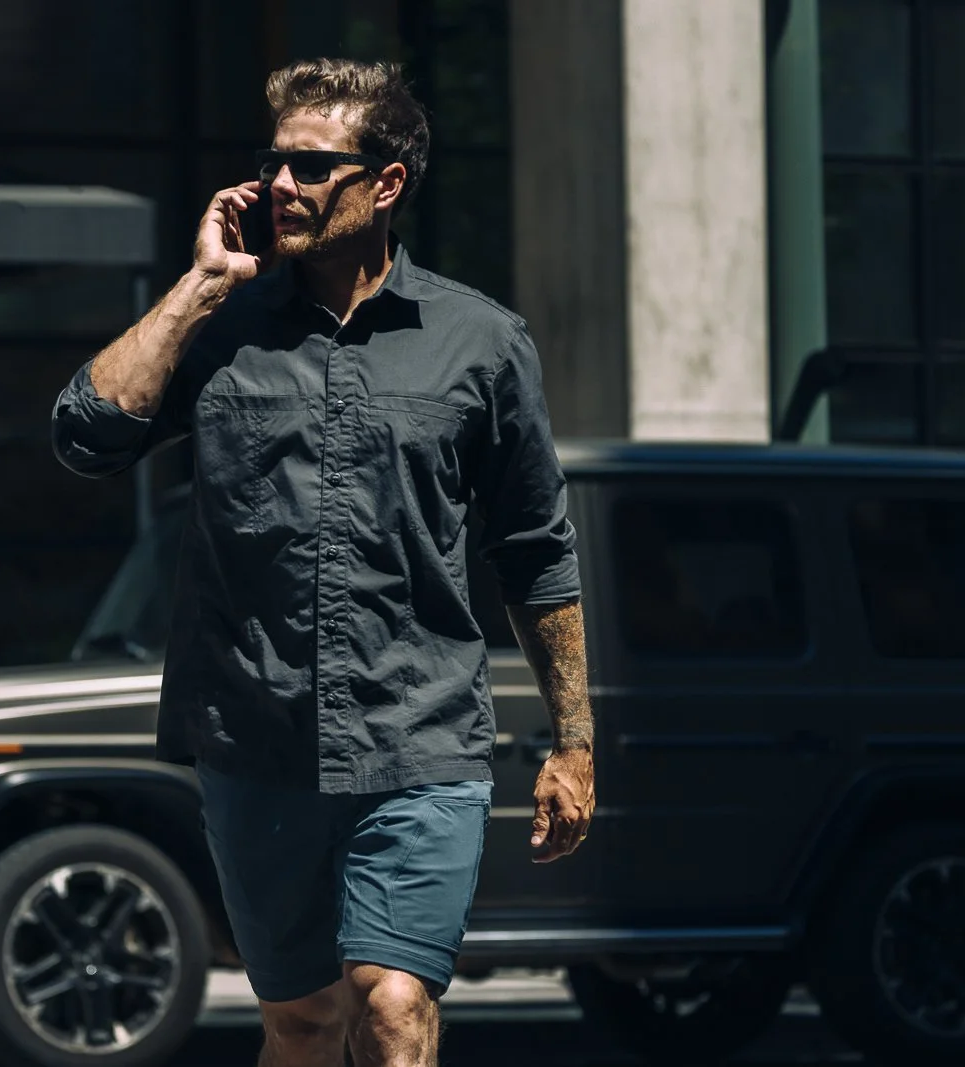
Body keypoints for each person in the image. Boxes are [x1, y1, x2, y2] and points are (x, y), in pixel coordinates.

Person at [52, 57, 595, 1067]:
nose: (279, 187)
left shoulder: (481, 342)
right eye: (272, 164)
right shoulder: (220, 331)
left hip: (418, 737)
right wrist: (200, 284)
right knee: (301, 1023)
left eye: (310, 165)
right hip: (252, 737)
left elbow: (533, 547)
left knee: (391, 1004)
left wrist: (573, 739)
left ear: (385, 183)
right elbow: (85, 434)